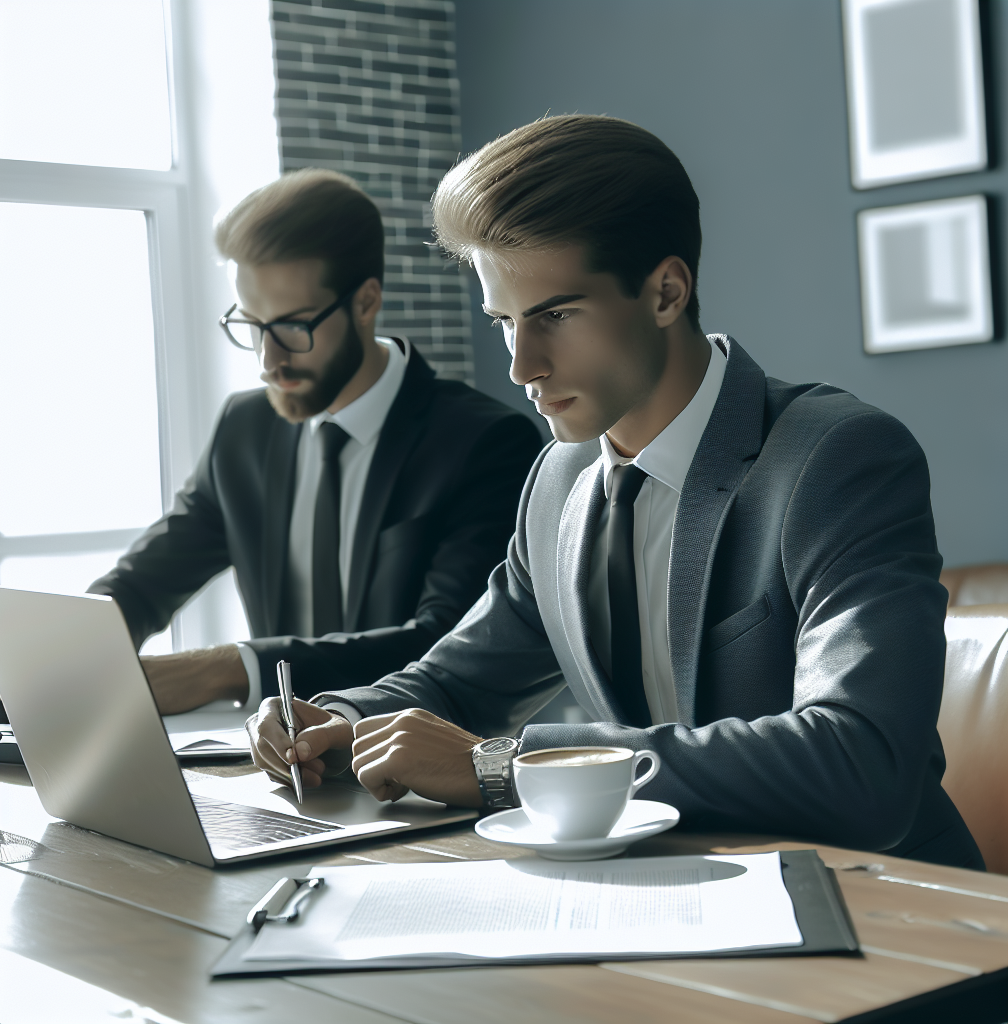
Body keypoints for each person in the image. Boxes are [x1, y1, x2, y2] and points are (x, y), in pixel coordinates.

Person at [248, 117, 982, 868]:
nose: (521, 366)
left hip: (881, 908)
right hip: (666, 900)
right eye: (504, 320)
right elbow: (460, 679)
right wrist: (340, 717)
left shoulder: (836, 457)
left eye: (556, 316)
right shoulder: (558, 479)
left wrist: (506, 768)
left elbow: (862, 762)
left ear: (665, 291)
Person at [89, 169, 542, 711]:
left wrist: (229, 669)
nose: (268, 360)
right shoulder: (245, 428)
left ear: (366, 302)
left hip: (426, 776)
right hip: (278, 767)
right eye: (252, 326)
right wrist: (65, 654)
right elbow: (144, 586)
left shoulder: (486, 442)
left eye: (293, 327)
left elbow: (447, 647)